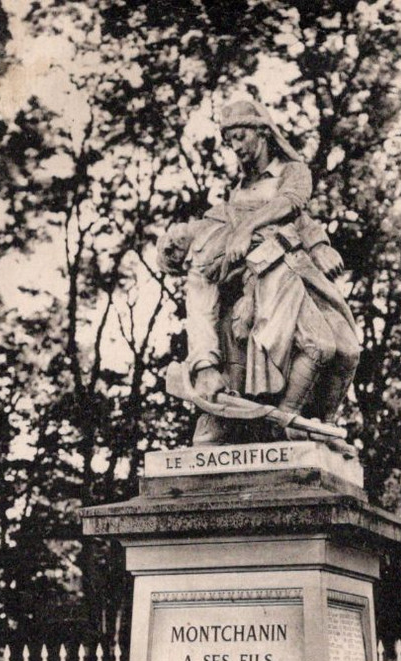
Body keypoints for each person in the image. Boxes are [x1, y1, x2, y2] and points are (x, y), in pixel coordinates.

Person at [161, 99, 360, 444]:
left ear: (263, 132)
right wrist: (204, 364)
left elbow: (294, 208)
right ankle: (287, 423)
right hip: (269, 278)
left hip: (300, 271)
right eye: (230, 142)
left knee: (349, 351)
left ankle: (316, 427)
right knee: (320, 346)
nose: (235, 148)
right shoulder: (228, 204)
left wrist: (320, 245)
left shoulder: (290, 172)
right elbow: (205, 278)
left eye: (239, 137)